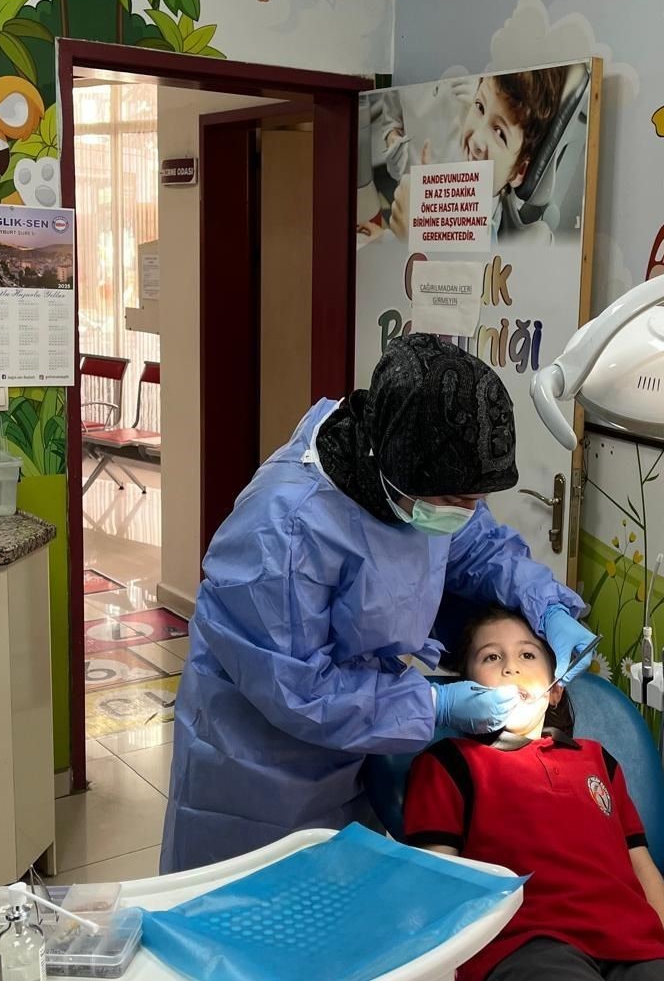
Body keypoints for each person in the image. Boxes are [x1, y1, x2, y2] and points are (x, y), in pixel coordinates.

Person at [161, 333, 594, 872]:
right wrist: (434, 706)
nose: (466, 510)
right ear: (394, 463)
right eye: (455, 500)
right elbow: (297, 688)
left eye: (475, 498)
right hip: (257, 764)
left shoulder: (426, 481)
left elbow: (480, 547)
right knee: (251, 900)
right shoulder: (286, 529)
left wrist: (548, 606)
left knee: (345, 890)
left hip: (357, 738)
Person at [403, 606, 664, 981]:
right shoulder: (450, 764)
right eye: (491, 657)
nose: (511, 668)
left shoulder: (598, 761)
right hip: (525, 944)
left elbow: (643, 869)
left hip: (636, 947)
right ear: (465, 687)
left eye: (527, 654)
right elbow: (433, 883)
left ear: (556, 689)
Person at [384, 70, 568, 242]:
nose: (476, 140)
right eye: (479, 107)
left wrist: (411, 238)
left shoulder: (481, 235)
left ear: (519, 170)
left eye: (500, 133)